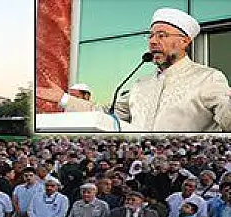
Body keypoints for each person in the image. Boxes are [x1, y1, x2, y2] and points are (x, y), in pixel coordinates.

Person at [36, 8, 231, 131]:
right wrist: (63, 98)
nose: (153, 41)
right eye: (151, 36)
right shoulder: (140, 84)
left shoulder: (209, 79)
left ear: (185, 41)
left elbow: (226, 120)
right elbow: (105, 114)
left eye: (162, 35)